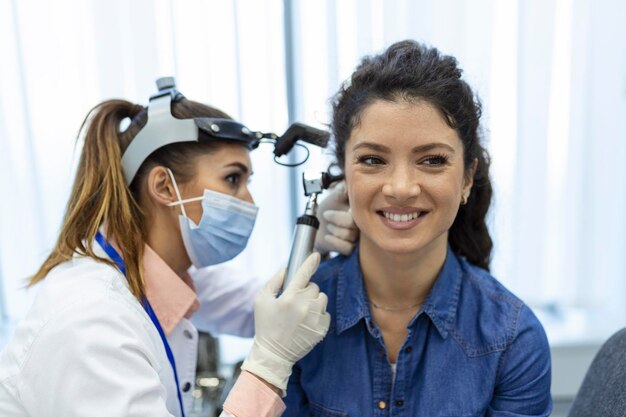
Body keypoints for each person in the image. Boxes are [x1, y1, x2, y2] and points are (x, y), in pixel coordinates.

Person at [0, 78, 356, 417]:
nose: (249, 201)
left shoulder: (153, 273)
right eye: (232, 179)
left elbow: (266, 310)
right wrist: (269, 363)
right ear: (164, 187)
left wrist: (313, 240)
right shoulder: (92, 320)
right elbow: (275, 333)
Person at [283, 40, 552, 416]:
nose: (401, 188)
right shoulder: (292, 322)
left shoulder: (512, 338)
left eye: (432, 160)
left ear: (467, 179)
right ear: (343, 174)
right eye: (373, 159)